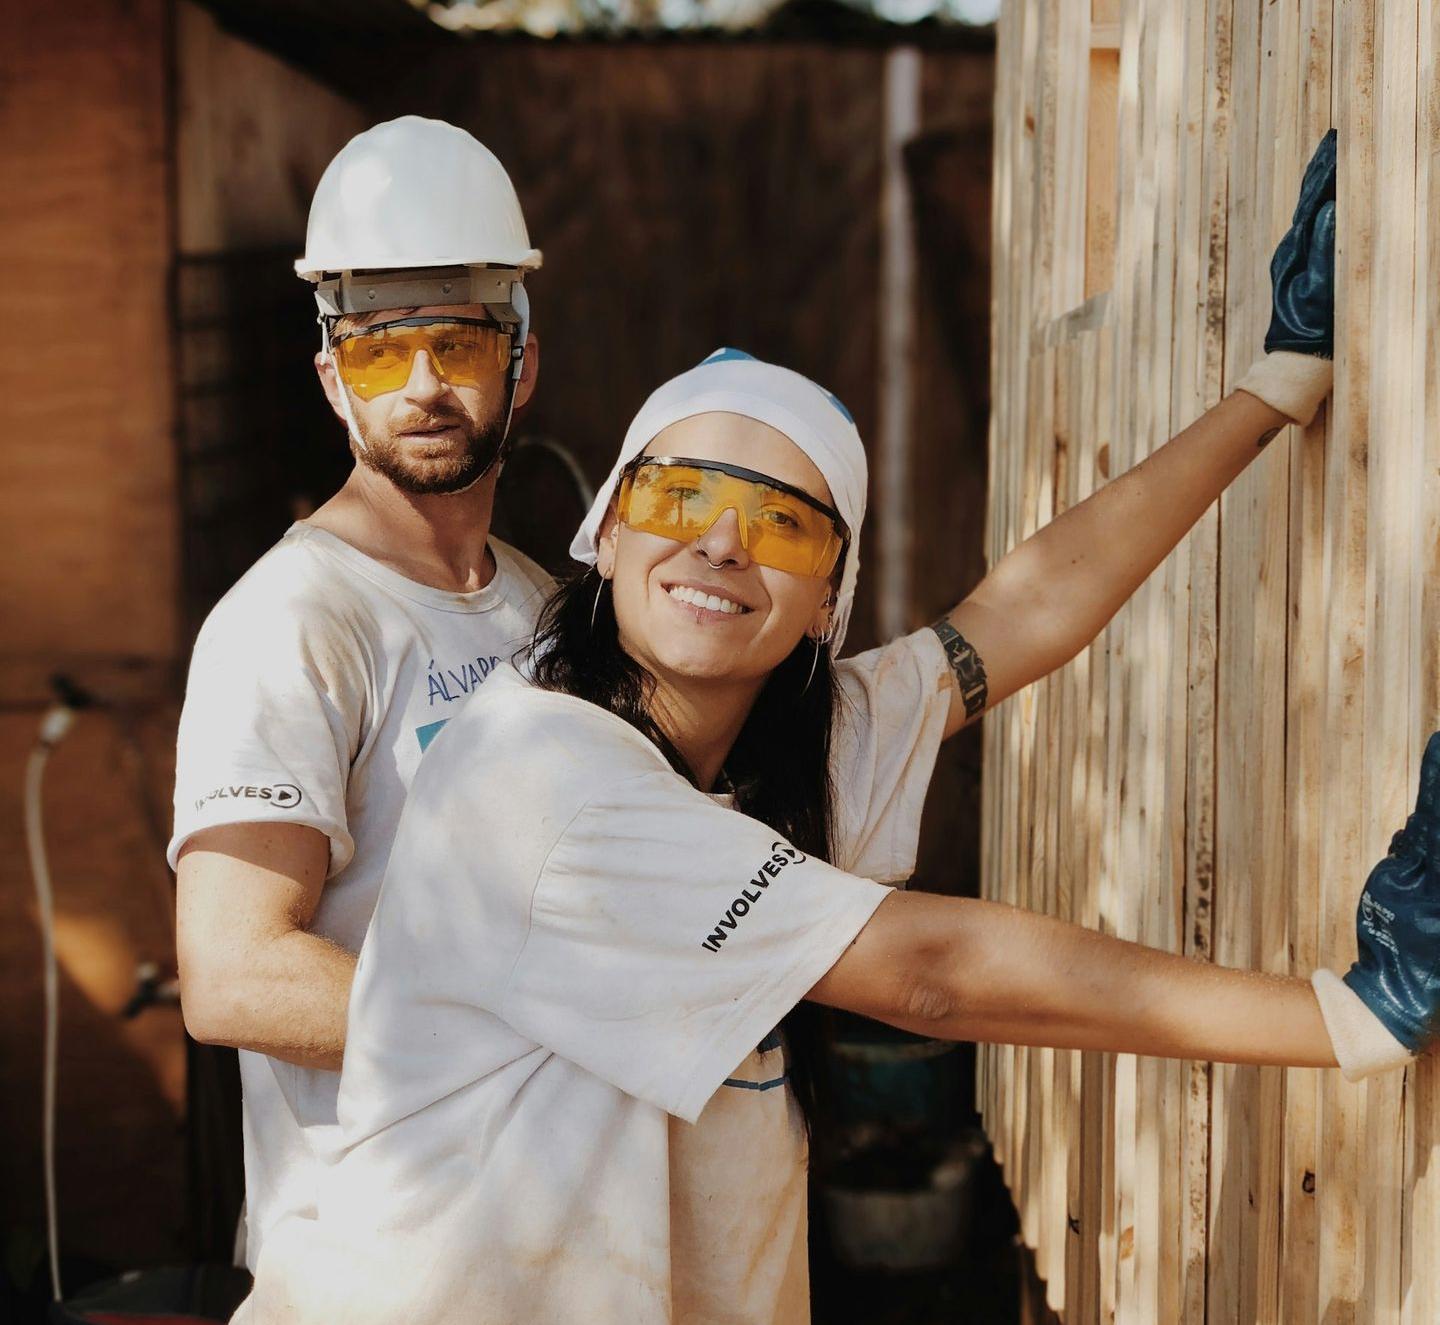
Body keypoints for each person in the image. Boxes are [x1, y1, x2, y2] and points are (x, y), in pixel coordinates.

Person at [167, 117, 553, 1269]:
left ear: (522, 362)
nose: (424, 385)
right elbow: (237, 974)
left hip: (535, 1227)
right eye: (384, 351)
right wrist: (555, 1022)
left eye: (459, 342)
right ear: (336, 380)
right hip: (370, 1258)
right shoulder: (291, 622)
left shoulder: (539, 605)